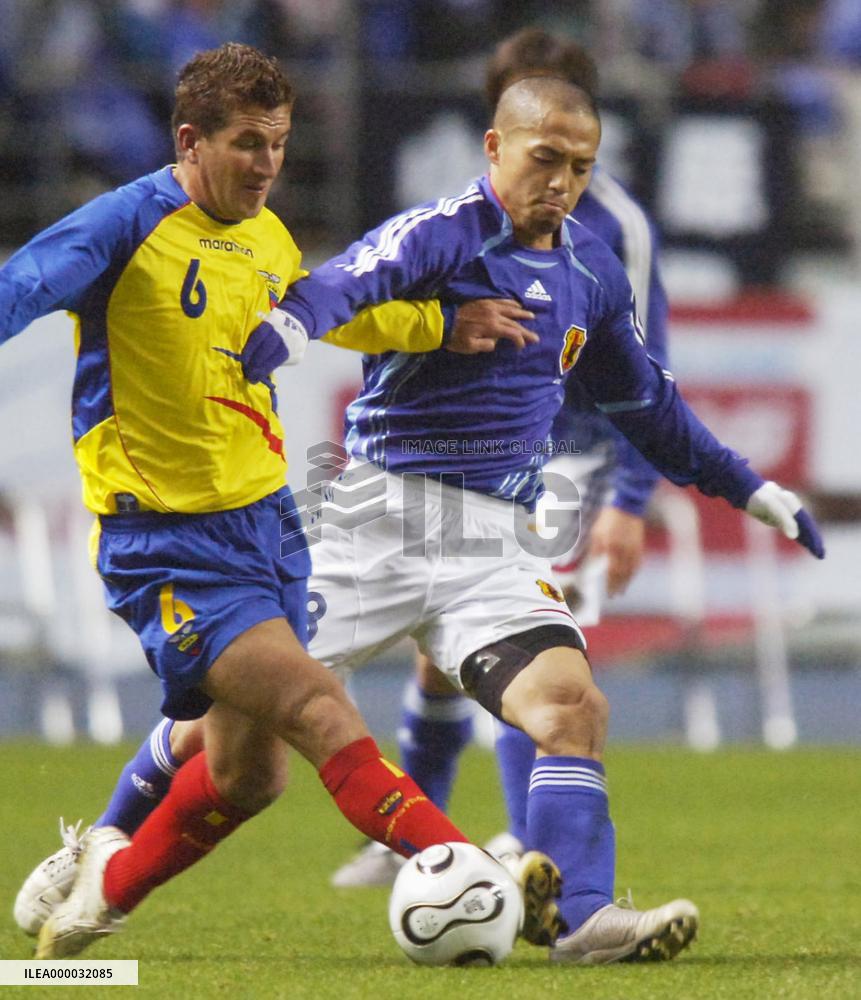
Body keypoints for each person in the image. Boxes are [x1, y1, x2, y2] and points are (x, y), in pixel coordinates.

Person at [19, 71, 823, 966]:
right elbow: (343, 284)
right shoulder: (440, 233)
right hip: (372, 526)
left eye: (580, 166)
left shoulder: (591, 271)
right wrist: (293, 327)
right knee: (234, 736)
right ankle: (101, 850)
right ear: (495, 148)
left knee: (570, 707)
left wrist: (750, 490)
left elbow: (649, 408)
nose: (560, 182)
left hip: (492, 546)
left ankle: (584, 918)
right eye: (544, 159)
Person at [2, 42, 561, 959]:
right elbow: (20, 286)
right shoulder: (123, 225)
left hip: (268, 528)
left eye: (278, 144)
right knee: (317, 706)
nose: (267, 165)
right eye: (247, 144)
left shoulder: (264, 234)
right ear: (190, 141)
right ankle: (469, 869)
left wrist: (437, 324)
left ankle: (99, 895)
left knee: (248, 776)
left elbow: (331, 312)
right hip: (167, 543)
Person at [332, 25, 673, 890]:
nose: (555, 171)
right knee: (442, 660)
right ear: (499, 130)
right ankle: (415, 837)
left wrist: (629, 500)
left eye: (572, 150)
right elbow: (342, 300)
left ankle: (527, 845)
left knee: (537, 668)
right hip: (456, 473)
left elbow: (648, 372)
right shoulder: (455, 223)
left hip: (572, 468)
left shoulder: (615, 232)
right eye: (536, 141)